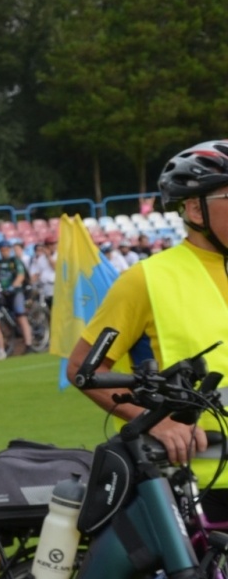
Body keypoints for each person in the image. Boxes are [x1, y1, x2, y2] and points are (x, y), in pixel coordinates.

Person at [68, 139, 228, 520]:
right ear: (195, 209)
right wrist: (161, 422)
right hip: (199, 479)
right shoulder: (146, 279)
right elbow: (83, 369)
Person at [0, 240, 33, 354]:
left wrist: (12, 286)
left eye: (6, 249)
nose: (4, 252)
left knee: (20, 315)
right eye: (2, 250)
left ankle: (28, 343)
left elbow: (20, 275)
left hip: (16, 292)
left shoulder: (15, 261)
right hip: (4, 293)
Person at [29, 238, 57, 306]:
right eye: (50, 244)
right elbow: (36, 273)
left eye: (54, 244)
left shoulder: (59, 255)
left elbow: (55, 267)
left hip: (55, 287)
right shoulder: (40, 259)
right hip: (44, 287)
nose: (53, 246)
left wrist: (48, 256)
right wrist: (31, 281)